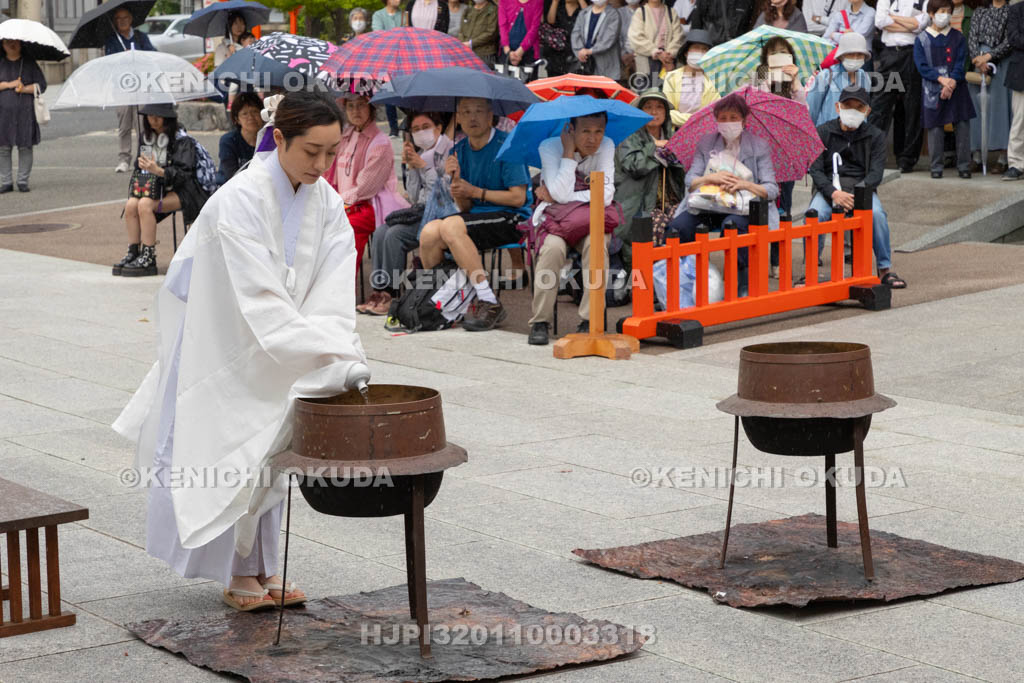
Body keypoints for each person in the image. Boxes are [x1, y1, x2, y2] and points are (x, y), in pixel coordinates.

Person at [113, 91, 370, 611]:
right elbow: (252, 291)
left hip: (288, 336)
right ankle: (237, 572)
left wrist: (326, 340)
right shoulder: (239, 198)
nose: (322, 165)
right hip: (228, 338)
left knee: (270, 452)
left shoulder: (324, 200)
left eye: (331, 152)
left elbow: (335, 277)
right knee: (234, 449)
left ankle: (263, 566)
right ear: (279, 139)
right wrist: (312, 342)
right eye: (311, 152)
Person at [418, 97, 532, 331]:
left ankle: (488, 300)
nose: (472, 117)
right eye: (466, 112)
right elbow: (466, 208)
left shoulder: (507, 145)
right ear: (458, 118)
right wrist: (457, 184)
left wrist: (476, 192)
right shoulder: (458, 150)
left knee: (450, 226)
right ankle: (445, 299)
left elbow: (518, 198)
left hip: (512, 217)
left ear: (490, 116)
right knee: (429, 233)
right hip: (477, 217)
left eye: (479, 111)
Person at [665, 93, 779, 297]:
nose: (728, 122)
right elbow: (690, 181)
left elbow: (771, 189)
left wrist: (744, 184)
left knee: (733, 227)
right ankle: (685, 282)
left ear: (744, 120)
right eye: (723, 118)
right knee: (678, 227)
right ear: (716, 120)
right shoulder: (706, 143)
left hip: (743, 208)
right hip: (708, 204)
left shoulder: (758, 146)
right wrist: (711, 178)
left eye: (734, 118)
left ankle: (741, 284)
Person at [527, 113, 616, 345]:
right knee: (552, 250)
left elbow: (606, 196)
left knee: (596, 246)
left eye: (598, 131)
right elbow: (558, 194)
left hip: (591, 218)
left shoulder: (607, 145)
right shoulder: (549, 147)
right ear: (571, 130)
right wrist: (568, 154)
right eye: (585, 131)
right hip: (556, 221)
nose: (592, 139)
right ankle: (540, 321)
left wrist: (565, 196)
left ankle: (590, 319)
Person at [807, 84, 906, 288]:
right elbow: (815, 170)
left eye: (859, 107)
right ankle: (810, 271)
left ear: (867, 111)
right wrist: (834, 193)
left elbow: (876, 174)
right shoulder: (823, 132)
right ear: (838, 107)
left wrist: (854, 195)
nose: (852, 111)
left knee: (877, 215)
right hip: (829, 191)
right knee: (815, 214)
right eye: (848, 106)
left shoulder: (876, 136)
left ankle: (884, 269)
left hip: (861, 191)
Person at [362, 112, 454, 316]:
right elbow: (413, 196)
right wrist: (412, 168)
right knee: (381, 232)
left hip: (442, 215)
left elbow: (443, 194)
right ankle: (379, 290)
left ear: (438, 128)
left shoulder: (450, 150)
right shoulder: (423, 153)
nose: (421, 133)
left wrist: (425, 167)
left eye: (425, 127)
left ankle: (391, 293)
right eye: (416, 129)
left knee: (395, 235)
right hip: (421, 212)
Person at [112, 103, 211, 277]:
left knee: (145, 205)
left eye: (158, 116)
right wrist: (141, 166)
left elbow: (185, 175)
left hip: (185, 191)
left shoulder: (182, 140)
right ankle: (134, 251)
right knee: (131, 205)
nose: (153, 120)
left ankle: (149, 257)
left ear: (168, 118)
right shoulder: (146, 138)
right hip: (155, 188)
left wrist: (159, 171)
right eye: (150, 116)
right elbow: (139, 168)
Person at [325, 95, 409, 274]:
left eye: (361, 105)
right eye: (351, 106)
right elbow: (329, 173)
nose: (356, 111)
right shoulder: (344, 137)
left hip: (369, 205)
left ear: (371, 108)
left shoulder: (380, 142)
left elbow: (365, 188)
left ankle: (343, 284)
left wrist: (336, 204)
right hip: (345, 202)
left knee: (345, 230)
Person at [614, 88, 685, 272]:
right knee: (657, 224)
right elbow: (634, 165)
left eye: (659, 107)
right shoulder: (629, 136)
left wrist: (675, 157)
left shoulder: (673, 137)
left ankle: (680, 275)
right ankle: (651, 276)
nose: (654, 112)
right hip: (642, 202)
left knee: (683, 222)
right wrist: (654, 147)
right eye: (648, 107)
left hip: (670, 199)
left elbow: (683, 172)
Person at [915, 0, 976, 179]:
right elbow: (922, 66)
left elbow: (961, 63)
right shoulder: (922, 39)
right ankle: (936, 167)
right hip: (933, 88)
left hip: (957, 87)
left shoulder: (958, 37)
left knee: (962, 124)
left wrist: (952, 82)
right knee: (935, 127)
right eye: (942, 11)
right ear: (931, 13)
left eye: (948, 11)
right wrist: (941, 80)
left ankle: (964, 166)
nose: (945, 15)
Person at [871, 0, 929, 174]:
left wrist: (893, 19)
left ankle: (907, 159)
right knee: (879, 107)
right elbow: (880, 21)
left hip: (912, 54)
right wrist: (909, 24)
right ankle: (872, 155)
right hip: (889, 55)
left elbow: (921, 25)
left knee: (912, 109)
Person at [105, 7, 155, 174]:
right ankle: (124, 159)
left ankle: (145, 159)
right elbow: (109, 63)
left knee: (143, 125)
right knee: (124, 126)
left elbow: (153, 55)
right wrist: (123, 57)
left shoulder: (141, 37)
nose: (122, 21)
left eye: (125, 17)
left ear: (131, 19)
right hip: (122, 88)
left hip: (141, 86)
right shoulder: (112, 40)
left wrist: (136, 55)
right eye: (118, 19)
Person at [967, 0, 1013, 174]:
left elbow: (1009, 41)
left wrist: (989, 57)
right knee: (976, 109)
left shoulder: (1011, 12)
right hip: (978, 65)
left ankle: (1003, 158)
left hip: (1001, 64)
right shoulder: (979, 12)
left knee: (1000, 109)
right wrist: (977, 59)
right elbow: (972, 38)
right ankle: (976, 156)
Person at [0, 38, 45, 194]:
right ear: (2, 45)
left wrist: (24, 89)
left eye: (15, 41)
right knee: (3, 148)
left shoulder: (29, 63)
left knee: (25, 146)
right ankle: (6, 182)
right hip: (3, 114)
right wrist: (9, 84)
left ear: (20, 43)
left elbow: (42, 85)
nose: (12, 44)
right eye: (7, 42)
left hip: (25, 113)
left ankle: (22, 181)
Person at [807, 31, 873, 125]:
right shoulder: (826, 76)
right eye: (850, 54)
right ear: (842, 56)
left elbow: (864, 110)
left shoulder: (865, 78)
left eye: (859, 55)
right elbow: (811, 110)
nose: (855, 58)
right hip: (827, 131)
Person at [661, 28, 721, 127]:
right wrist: (696, 119)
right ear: (686, 52)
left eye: (704, 49)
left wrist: (690, 119)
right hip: (675, 131)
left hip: (702, 131)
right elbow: (667, 112)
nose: (700, 52)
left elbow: (712, 113)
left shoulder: (714, 80)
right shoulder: (671, 77)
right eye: (696, 48)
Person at [628, 0, 685, 89]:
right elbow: (635, 37)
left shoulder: (671, 12)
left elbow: (679, 36)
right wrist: (655, 52)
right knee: (646, 92)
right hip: (647, 61)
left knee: (667, 90)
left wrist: (669, 54)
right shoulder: (640, 12)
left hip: (668, 60)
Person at [215, 92, 262, 186]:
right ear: (237, 119)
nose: (251, 117)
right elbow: (232, 176)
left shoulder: (269, 139)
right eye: (244, 114)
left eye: (255, 112)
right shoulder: (228, 141)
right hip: (230, 188)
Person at [571, 0, 622, 79]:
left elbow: (609, 38)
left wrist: (590, 51)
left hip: (606, 64)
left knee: (605, 85)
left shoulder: (613, 14)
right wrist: (580, 51)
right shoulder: (583, 13)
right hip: (585, 63)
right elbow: (575, 34)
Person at [1004, 0, 1024, 180]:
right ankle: (1016, 164)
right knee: (1019, 120)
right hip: (1021, 72)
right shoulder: (1016, 10)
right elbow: (1013, 38)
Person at [543, 0, 584, 77]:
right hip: (557, 57)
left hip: (576, 55)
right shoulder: (559, 8)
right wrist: (555, 2)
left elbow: (589, 17)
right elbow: (550, 21)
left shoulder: (582, 11)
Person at [689, 0, 757, 46]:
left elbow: (746, 25)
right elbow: (696, 23)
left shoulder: (747, 2)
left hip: (734, 48)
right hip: (710, 47)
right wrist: (697, 46)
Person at [500, 0, 544, 66]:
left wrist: (520, 51)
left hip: (528, 51)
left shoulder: (538, 1)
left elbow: (535, 27)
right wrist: (507, 51)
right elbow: (502, 25)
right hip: (507, 50)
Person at [460, 0, 500, 66]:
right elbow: (461, 30)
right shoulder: (468, 9)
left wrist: (471, 43)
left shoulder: (493, 10)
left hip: (484, 53)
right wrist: (462, 43)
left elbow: (491, 32)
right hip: (466, 52)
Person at [614, 0, 640, 84]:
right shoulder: (618, 13)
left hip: (642, 55)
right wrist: (623, 54)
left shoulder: (646, 11)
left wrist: (636, 54)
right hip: (622, 58)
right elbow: (616, 36)